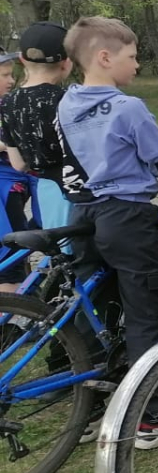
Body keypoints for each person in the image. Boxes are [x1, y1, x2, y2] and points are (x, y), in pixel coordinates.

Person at [56, 16, 158, 446]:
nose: (137, 65)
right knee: (144, 314)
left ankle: (96, 402)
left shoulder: (67, 103)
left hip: (83, 214)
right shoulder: (128, 107)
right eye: (132, 57)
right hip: (127, 216)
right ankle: (152, 418)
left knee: (96, 308)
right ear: (104, 57)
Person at [1, 22, 74, 234]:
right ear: (66, 62)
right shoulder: (69, 99)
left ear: (22, 59)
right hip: (78, 190)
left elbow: (19, 164)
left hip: (47, 189)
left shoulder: (8, 103)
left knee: (58, 246)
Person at [0, 48, 29, 293]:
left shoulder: (7, 105)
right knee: (10, 251)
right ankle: (10, 308)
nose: (11, 81)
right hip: (5, 190)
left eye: (12, 74)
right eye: (4, 75)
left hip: (16, 184)